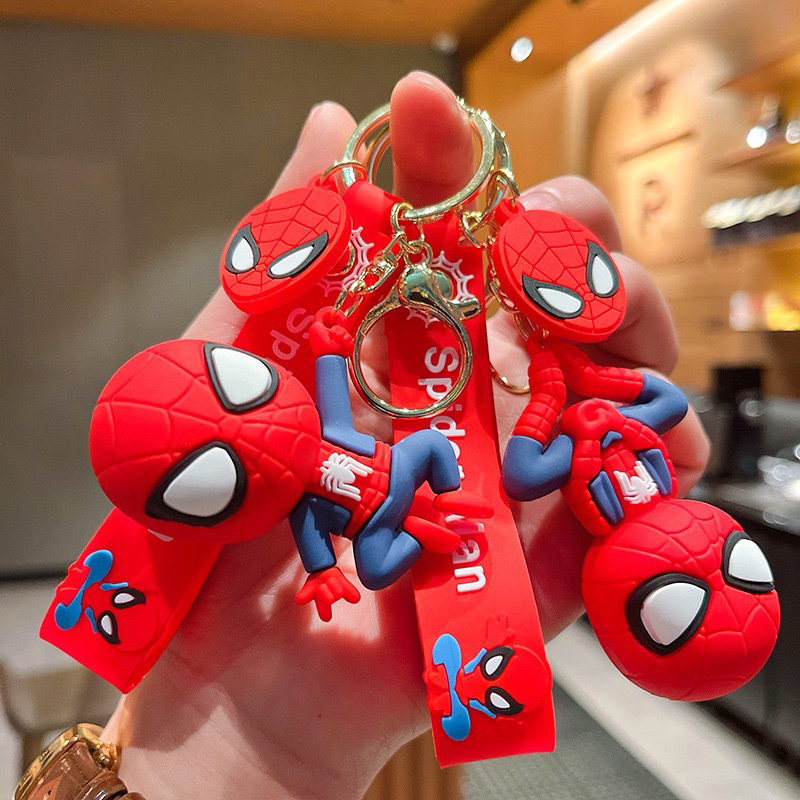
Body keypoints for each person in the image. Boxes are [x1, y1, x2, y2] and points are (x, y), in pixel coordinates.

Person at [98, 70, 709, 800]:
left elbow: (350, 416)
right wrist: (324, 567)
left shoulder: (326, 437)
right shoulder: (298, 494)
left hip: (401, 471)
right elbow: (317, 526)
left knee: (426, 455)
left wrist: (335, 354)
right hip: (381, 515)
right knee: (382, 558)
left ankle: (446, 509)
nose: (254, 429)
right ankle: (438, 519)